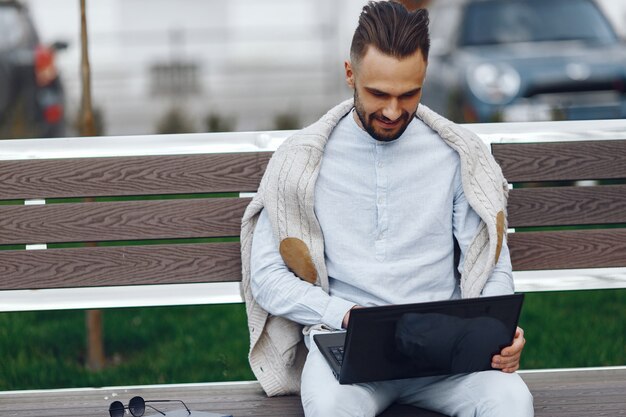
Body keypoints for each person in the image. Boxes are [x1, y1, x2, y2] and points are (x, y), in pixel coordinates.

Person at [240, 1, 534, 416]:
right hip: (347, 357)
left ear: (424, 78)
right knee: (331, 408)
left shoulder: (457, 155)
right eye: (378, 94)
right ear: (350, 75)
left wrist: (497, 332)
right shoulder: (301, 162)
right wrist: (343, 315)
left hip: (447, 354)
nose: (394, 111)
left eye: (408, 94)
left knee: (512, 402)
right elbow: (267, 277)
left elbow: (489, 261)